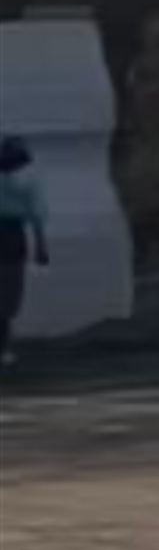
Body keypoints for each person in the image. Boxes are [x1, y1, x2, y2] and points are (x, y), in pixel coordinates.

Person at [0, 137, 44, 375]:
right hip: (12, 248)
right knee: (7, 305)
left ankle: (4, 349)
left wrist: (40, 246)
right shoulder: (21, 188)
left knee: (6, 305)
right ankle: (4, 349)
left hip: (11, 248)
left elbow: (35, 216)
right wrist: (40, 247)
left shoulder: (20, 188)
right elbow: (36, 218)